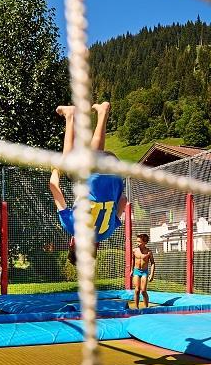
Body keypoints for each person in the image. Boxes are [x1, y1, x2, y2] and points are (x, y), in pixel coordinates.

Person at [49, 101, 128, 253]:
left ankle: (103, 112)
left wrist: (108, 191)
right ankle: (70, 115)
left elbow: (123, 200)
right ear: (72, 243)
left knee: (95, 157)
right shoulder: (73, 228)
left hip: (113, 167)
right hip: (96, 170)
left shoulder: (107, 233)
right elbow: (54, 186)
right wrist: (55, 170)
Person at [130, 233, 155, 309]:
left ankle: (146, 307)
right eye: (137, 241)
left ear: (145, 242)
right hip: (136, 271)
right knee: (137, 290)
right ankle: (136, 308)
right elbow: (133, 260)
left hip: (144, 272)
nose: (137, 243)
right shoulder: (134, 250)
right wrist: (131, 270)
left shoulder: (149, 252)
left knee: (143, 290)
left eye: (139, 242)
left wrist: (151, 274)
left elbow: (153, 263)